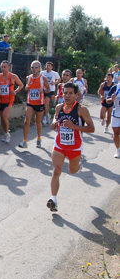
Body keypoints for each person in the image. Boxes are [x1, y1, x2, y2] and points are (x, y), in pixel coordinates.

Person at [47, 82, 95, 212]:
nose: (67, 96)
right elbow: (55, 119)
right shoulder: (59, 107)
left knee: (72, 171)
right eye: (65, 93)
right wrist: (54, 123)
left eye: (70, 93)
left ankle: (79, 165)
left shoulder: (81, 110)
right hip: (59, 145)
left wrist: (74, 127)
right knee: (57, 170)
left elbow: (92, 128)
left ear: (76, 95)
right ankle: (54, 200)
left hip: (74, 147)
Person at [18, 60, 50, 149]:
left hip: (39, 103)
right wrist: (26, 88)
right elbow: (27, 87)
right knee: (26, 121)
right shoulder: (28, 78)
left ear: (39, 69)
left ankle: (39, 138)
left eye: (36, 67)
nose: (34, 69)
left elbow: (49, 90)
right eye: (32, 67)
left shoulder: (43, 78)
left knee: (37, 122)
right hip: (30, 102)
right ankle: (25, 141)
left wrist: (43, 91)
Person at [0, 60, 23, 143]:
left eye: (5, 67)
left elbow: (21, 85)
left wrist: (15, 91)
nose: (3, 68)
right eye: (2, 67)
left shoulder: (13, 76)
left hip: (9, 100)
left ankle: (7, 134)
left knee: (5, 116)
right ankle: (6, 132)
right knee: (2, 119)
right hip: (1, 99)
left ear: (9, 67)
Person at [106, 81, 120, 158]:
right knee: (116, 133)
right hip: (115, 114)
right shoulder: (115, 88)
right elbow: (107, 101)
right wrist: (112, 99)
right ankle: (118, 149)